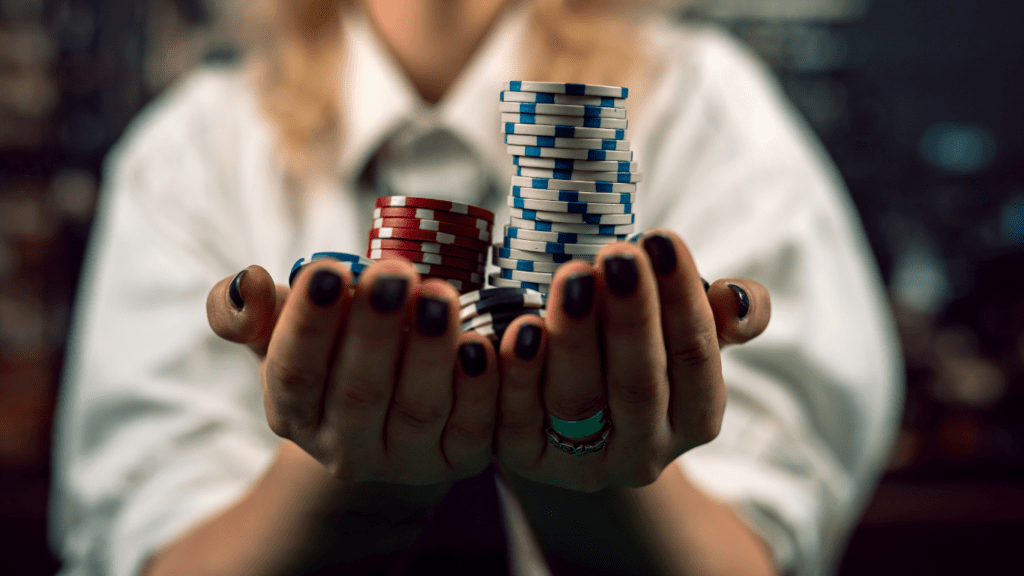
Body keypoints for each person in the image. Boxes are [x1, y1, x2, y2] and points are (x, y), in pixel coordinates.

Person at [49, 0, 904, 575]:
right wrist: (333, 489)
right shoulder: (189, 152)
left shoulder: (710, 111)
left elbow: (761, 547)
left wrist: (604, 496)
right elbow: (150, 544)